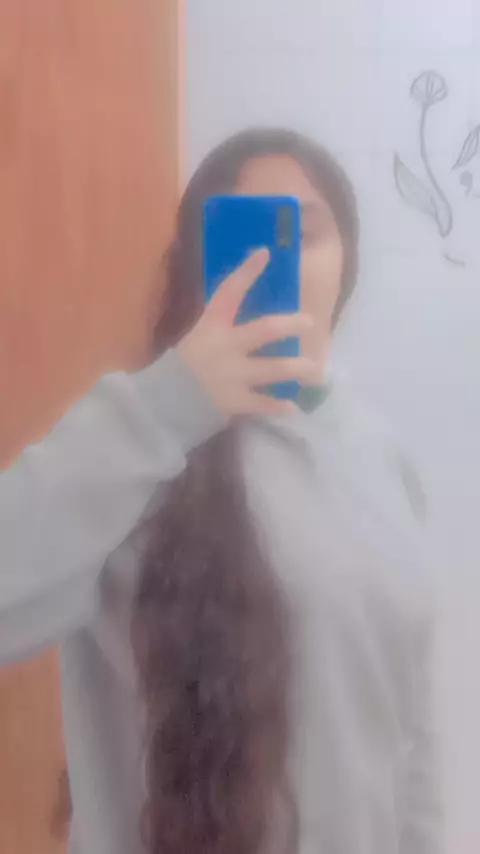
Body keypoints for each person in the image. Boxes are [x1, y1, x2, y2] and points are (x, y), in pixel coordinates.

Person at [0, 128, 441, 854]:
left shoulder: (384, 459)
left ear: (347, 264)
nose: (274, 258)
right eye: (246, 233)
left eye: (303, 232)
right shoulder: (135, 453)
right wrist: (168, 404)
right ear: (200, 264)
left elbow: (409, 737)